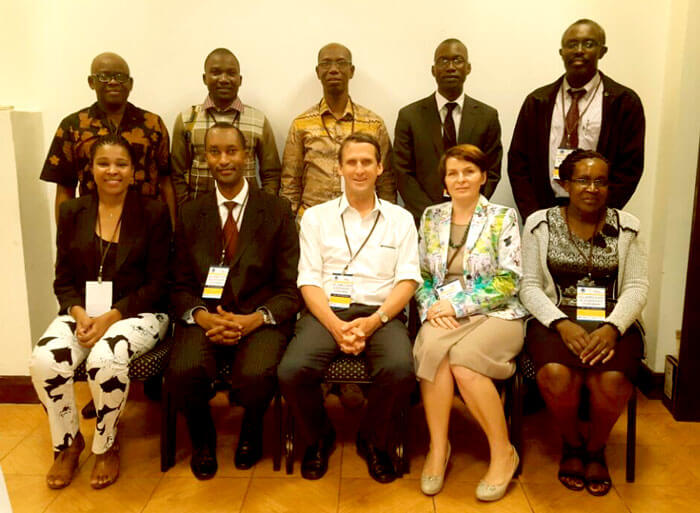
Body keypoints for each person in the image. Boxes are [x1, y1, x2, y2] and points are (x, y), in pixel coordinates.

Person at [30, 135, 171, 489]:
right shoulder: (72, 212)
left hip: (140, 313)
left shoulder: (153, 212)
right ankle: (67, 443)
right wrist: (80, 314)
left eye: (121, 164)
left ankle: (106, 444)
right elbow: (63, 280)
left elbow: (159, 284)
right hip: (83, 312)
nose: (112, 171)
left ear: (133, 171)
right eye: (103, 163)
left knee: (105, 359)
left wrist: (111, 317)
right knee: (44, 360)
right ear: (90, 170)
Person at [278, 133, 420, 484]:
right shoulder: (316, 218)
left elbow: (408, 280)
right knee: (292, 371)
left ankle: (372, 439)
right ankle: (319, 437)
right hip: (327, 312)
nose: (359, 169)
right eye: (352, 162)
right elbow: (308, 280)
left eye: (367, 162)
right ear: (339, 168)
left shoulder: (401, 219)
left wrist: (374, 322)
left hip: (382, 313)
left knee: (400, 370)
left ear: (380, 167)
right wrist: (335, 325)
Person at [167, 122, 300, 480]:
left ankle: (251, 430)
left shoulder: (276, 210)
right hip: (205, 318)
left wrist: (255, 319)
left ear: (247, 156)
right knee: (183, 370)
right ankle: (203, 438)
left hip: (258, 318)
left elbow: (290, 288)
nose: (223, 160)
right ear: (204, 158)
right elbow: (178, 285)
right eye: (215, 152)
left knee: (257, 374)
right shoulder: (190, 213)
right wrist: (202, 316)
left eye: (231, 151)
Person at [520, 150, 648, 496]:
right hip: (554, 317)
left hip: (612, 319)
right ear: (565, 183)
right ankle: (572, 443)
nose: (592, 188)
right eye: (583, 180)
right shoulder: (540, 223)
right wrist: (561, 323)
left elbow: (637, 287)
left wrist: (613, 328)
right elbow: (529, 286)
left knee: (612, 379)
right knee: (556, 374)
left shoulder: (627, 226)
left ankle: (595, 448)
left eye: (600, 181)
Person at [414, 144, 527, 501]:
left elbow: (509, 280)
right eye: (453, 173)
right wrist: (432, 307)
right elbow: (419, 276)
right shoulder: (431, 217)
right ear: (444, 182)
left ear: (483, 177)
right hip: (442, 311)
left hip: (497, 312)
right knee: (432, 352)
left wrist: (456, 305)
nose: (460, 178)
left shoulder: (502, 217)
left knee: (464, 362)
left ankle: (503, 452)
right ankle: (438, 449)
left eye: (468, 171)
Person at [508, 19, 645, 221]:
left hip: (597, 216)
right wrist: (534, 217)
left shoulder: (624, 103)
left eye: (588, 44)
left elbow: (630, 168)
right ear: (561, 52)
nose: (579, 51)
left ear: (602, 51)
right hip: (543, 212)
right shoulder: (537, 101)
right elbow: (518, 164)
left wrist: (600, 215)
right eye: (572, 44)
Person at [40, 52, 176, 225]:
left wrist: (172, 231)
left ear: (130, 84)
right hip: (93, 225)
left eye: (120, 77)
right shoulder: (72, 126)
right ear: (91, 82)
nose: (113, 82)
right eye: (104, 76)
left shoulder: (152, 124)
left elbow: (166, 182)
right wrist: (65, 235)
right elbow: (65, 188)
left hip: (147, 225)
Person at [280, 43, 396, 219]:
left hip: (362, 220)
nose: (333, 69)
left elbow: (386, 183)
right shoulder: (301, 125)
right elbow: (290, 184)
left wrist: (385, 220)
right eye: (326, 63)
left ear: (351, 71)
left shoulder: (373, 124)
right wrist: (288, 225)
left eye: (341, 63)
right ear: (318, 72)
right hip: (312, 221)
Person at [394, 38, 503, 222]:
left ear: (468, 68)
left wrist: (467, 209)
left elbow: (491, 171)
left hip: (472, 219)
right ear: (433, 70)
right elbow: (403, 173)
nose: (451, 67)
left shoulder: (487, 116)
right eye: (443, 61)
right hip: (423, 219)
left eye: (457, 60)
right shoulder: (409, 116)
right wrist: (432, 216)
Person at [171, 48, 281, 206]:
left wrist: (263, 209)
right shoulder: (187, 120)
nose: (223, 79)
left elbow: (271, 174)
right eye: (216, 72)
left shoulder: (258, 120)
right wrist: (186, 210)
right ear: (205, 78)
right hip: (198, 212)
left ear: (240, 80)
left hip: (247, 212)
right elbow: (177, 174)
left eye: (231, 73)